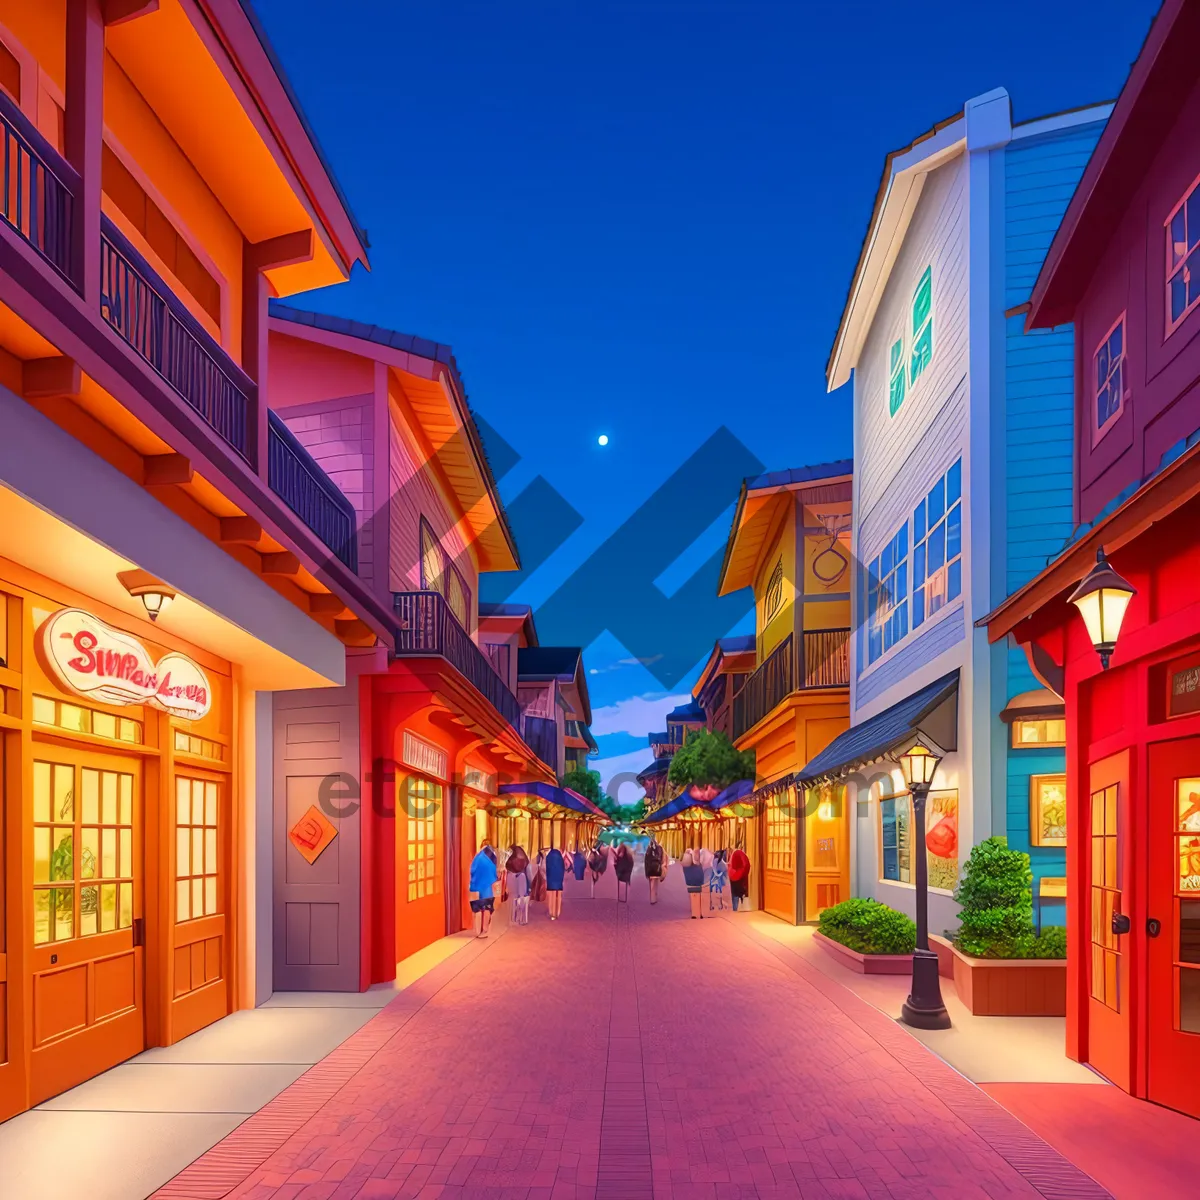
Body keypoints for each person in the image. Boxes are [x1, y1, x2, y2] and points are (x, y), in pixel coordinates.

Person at [468, 843, 498, 938]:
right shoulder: (491, 861)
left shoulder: (477, 859)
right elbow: (494, 876)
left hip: (476, 888)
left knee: (477, 910)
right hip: (488, 890)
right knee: (487, 909)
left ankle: (477, 931)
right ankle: (485, 930)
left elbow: (472, 871)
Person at [506, 844, 531, 925]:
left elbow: (506, 866)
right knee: (522, 898)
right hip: (522, 878)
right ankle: (522, 918)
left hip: (511, 877)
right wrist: (530, 887)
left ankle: (513, 918)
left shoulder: (510, 858)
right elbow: (528, 872)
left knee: (513, 898)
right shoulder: (524, 859)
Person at [681, 849, 705, 919]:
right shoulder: (698, 865)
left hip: (690, 884)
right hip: (698, 883)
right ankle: (699, 913)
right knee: (699, 897)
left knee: (693, 897)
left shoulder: (685, 865)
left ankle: (694, 913)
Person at [546, 845, 566, 919]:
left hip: (551, 881)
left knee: (551, 896)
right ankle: (558, 913)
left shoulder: (549, 858)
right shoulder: (560, 859)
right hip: (559, 881)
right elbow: (563, 870)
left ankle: (552, 913)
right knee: (559, 897)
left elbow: (546, 869)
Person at [643, 836, 665, 904]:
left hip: (650, 870)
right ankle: (655, 896)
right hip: (657, 870)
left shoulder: (648, 849)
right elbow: (662, 859)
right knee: (655, 884)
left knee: (651, 885)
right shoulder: (660, 848)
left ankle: (652, 899)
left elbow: (646, 861)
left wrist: (646, 873)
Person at [729, 845, 751, 911]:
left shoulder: (734, 854)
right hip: (740, 875)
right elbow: (746, 864)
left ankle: (735, 908)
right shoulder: (741, 854)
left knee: (734, 893)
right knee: (740, 892)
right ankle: (742, 906)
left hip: (733, 875)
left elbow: (733, 865)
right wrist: (744, 872)